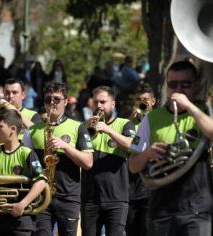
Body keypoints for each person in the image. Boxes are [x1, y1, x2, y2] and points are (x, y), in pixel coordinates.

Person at [129, 60, 213, 236]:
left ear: (196, 85)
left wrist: (190, 107)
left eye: (185, 84)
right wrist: (148, 154)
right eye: (173, 85)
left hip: (197, 209)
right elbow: (133, 166)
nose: (178, 90)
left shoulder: (204, 112)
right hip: (161, 210)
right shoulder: (151, 119)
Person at [25, 82, 94, 236]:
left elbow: (88, 162)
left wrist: (66, 147)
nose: (52, 103)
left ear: (65, 101)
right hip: (41, 196)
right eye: (48, 99)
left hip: (68, 197)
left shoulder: (78, 126)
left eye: (56, 99)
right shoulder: (32, 130)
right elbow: (25, 162)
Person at [0, 109, 47, 236]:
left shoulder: (27, 153)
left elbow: (41, 182)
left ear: (13, 129)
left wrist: (22, 204)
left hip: (22, 221)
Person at [81, 86, 134, 236]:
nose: (99, 106)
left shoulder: (124, 124)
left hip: (116, 199)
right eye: (96, 102)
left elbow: (133, 145)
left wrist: (109, 130)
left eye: (103, 102)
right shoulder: (84, 127)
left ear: (113, 104)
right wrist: (85, 128)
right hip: (90, 198)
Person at [126, 84, 156, 236]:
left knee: (146, 229)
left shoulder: (157, 122)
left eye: (145, 99)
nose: (142, 102)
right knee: (131, 230)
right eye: (138, 100)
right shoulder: (128, 123)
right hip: (130, 188)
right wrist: (131, 118)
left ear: (153, 102)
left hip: (150, 187)